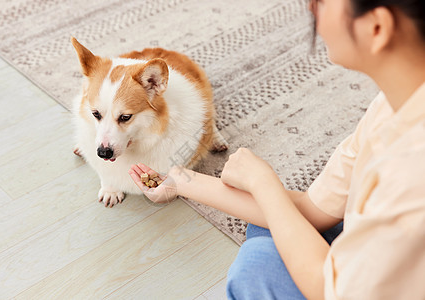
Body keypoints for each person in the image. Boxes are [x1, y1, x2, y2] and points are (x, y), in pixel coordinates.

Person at [128, 0, 425, 298]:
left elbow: (331, 291)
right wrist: (178, 181)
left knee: (257, 269)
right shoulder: (393, 105)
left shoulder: (411, 168)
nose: (310, 8)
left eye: (322, 2)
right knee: (270, 226)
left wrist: (263, 183)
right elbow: (313, 209)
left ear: (377, 27)